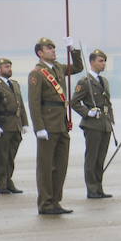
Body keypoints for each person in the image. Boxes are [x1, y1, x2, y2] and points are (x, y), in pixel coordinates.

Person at [27, 36, 83, 215]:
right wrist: (39, 127)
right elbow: (34, 103)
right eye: (48, 48)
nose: (53, 50)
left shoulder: (58, 67)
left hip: (61, 123)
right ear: (40, 53)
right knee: (46, 166)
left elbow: (78, 68)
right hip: (47, 125)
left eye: (53, 47)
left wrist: (72, 50)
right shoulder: (37, 73)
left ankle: (56, 201)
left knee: (60, 165)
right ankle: (45, 203)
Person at [71, 49, 115, 199]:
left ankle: (99, 187)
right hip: (92, 125)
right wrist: (87, 112)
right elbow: (74, 102)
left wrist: (110, 121)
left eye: (104, 61)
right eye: (100, 61)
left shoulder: (104, 81)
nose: (103, 64)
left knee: (100, 158)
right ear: (92, 62)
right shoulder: (85, 82)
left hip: (105, 124)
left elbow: (107, 103)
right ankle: (91, 189)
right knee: (92, 158)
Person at [0, 58, 31, 194]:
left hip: (15, 125)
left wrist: (25, 123)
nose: (9, 69)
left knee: (10, 156)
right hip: (3, 125)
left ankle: (8, 181)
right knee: (1, 157)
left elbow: (20, 105)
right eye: (6, 67)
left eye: (10, 66)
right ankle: (2, 185)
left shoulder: (14, 84)